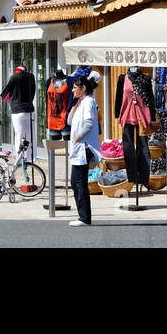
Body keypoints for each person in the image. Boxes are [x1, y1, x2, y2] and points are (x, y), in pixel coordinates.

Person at [68, 72, 102, 227]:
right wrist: (74, 105)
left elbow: (88, 123)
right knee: (75, 182)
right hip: (79, 147)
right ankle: (82, 216)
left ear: (83, 88)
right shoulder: (81, 102)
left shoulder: (88, 102)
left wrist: (78, 138)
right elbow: (69, 120)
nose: (72, 90)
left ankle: (84, 218)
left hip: (84, 146)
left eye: (75, 88)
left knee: (79, 182)